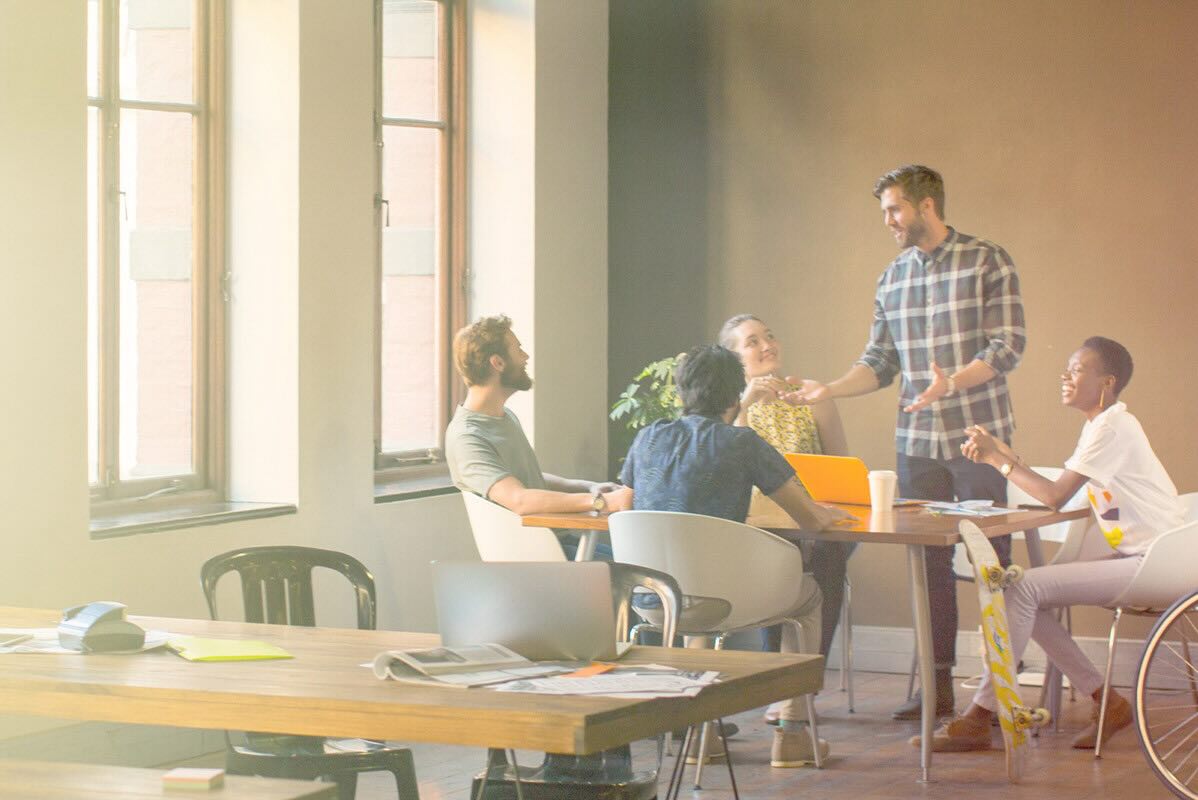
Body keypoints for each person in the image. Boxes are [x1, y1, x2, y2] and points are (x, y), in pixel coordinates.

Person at [795, 165, 1026, 720]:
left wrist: (953, 382)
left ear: (927, 206)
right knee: (929, 571)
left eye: (895, 210)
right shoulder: (892, 276)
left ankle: (998, 698)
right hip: (917, 445)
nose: (889, 222)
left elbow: (1008, 345)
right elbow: (879, 362)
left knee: (993, 570)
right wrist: (829, 388)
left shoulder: (986, 259)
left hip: (978, 439)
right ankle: (939, 691)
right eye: (884, 213)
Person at [918, 337, 1183, 752]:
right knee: (1023, 592)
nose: (1066, 376)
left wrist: (996, 460)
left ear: (1106, 382)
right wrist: (1006, 456)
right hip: (1146, 555)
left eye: (1077, 370)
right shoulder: (1103, 424)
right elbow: (1065, 492)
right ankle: (1106, 701)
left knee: (1022, 587)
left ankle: (982, 715)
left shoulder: (1111, 427)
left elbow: (1055, 496)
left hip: (1157, 560)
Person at [620, 344, 852, 768]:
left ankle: (698, 737)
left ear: (681, 392)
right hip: (717, 599)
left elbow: (625, 505)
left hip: (652, 602)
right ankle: (792, 734)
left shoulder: (647, 436)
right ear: (735, 396)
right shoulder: (742, 443)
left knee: (694, 587)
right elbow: (809, 520)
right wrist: (829, 513)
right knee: (811, 596)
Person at [718, 313, 853, 671]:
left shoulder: (811, 394)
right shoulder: (729, 405)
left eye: (769, 336)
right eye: (752, 342)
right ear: (734, 359)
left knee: (830, 550)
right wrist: (745, 405)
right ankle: (776, 674)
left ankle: (808, 672)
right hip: (755, 524)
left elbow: (841, 464)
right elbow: (727, 460)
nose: (766, 346)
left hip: (814, 516)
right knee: (780, 552)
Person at [445, 315, 632, 557]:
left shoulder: (504, 417)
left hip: (558, 542)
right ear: (498, 363)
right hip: (540, 554)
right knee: (653, 582)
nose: (525, 357)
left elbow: (524, 478)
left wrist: (589, 487)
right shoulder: (467, 437)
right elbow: (520, 498)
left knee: (645, 565)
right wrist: (602, 503)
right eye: (519, 349)